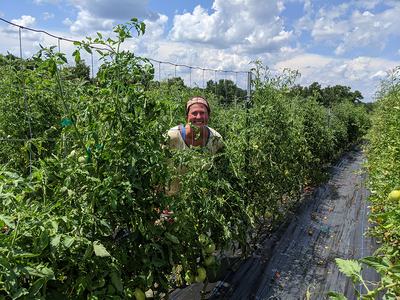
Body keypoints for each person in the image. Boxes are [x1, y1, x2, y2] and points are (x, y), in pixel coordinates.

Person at [165, 96, 224, 196]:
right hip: (169, 201)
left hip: (201, 202)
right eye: (194, 113)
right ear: (187, 116)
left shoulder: (216, 139)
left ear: (208, 116)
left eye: (202, 113)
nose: (198, 117)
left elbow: (219, 172)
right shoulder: (172, 136)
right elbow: (156, 167)